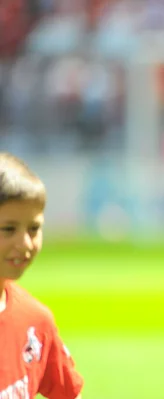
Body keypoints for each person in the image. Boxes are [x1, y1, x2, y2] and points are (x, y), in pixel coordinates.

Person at [0, 152, 84, 399]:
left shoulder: (36, 322)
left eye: (34, 228)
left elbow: (69, 393)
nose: (25, 243)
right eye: (8, 229)